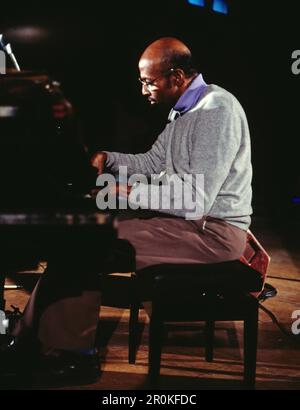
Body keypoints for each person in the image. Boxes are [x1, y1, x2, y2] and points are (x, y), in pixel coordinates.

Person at [0, 37, 252, 385]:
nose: (143, 89)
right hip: (185, 224)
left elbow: (197, 199)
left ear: (176, 76)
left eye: (148, 81)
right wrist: (110, 160)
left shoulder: (215, 111)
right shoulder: (185, 109)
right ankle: (30, 342)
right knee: (79, 233)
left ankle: (75, 357)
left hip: (211, 233)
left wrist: (125, 191)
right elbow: (152, 161)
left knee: (88, 239)